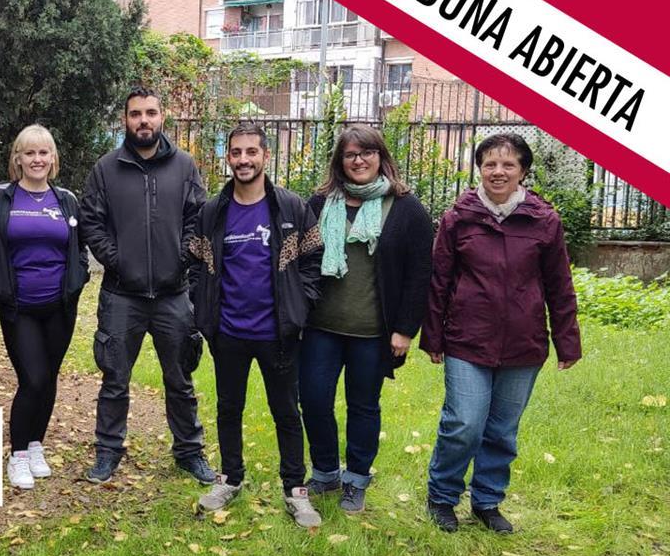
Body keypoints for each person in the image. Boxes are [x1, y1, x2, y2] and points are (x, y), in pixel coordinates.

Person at [422, 132, 582, 534]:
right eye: (490, 164)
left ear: (523, 171)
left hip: (523, 344)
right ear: (479, 169)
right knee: (464, 422)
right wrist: (433, 337)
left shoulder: (544, 221)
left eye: (508, 165)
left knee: (502, 431)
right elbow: (438, 280)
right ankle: (442, 497)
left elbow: (559, 285)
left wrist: (566, 340)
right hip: (466, 339)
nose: (498, 172)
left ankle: (487, 501)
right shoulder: (458, 217)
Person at [188, 124, 324, 527]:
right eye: (236, 152)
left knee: (286, 410)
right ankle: (229, 478)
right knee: (229, 408)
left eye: (251, 152)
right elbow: (195, 265)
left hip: (277, 333)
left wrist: (301, 306)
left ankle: (295, 489)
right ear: (227, 157)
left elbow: (313, 261)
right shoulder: (213, 211)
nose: (243, 160)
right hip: (228, 331)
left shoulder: (291, 208)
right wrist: (203, 308)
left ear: (265, 156)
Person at [79, 87, 215, 486]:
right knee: (115, 379)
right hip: (123, 296)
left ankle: (189, 452)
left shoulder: (185, 166)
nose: (143, 120)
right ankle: (107, 453)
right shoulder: (106, 169)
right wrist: (119, 261)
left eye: (150, 113)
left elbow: (198, 218)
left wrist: (182, 260)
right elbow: (92, 222)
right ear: (125, 119)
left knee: (180, 380)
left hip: (174, 295)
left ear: (162, 117)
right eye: (135, 113)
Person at [299, 126, 433, 513]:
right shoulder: (320, 203)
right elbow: (301, 260)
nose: (359, 160)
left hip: (372, 333)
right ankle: (325, 472)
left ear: (381, 156)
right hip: (321, 327)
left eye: (367, 152)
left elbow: (419, 272)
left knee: (363, 406)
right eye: (350, 154)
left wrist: (405, 329)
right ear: (339, 162)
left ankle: (356, 479)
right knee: (314, 400)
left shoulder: (406, 208)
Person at [0, 125, 89, 489]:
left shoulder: (66, 199)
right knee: (32, 378)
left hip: (60, 306)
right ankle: (17, 455)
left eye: (43, 153)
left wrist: (77, 281)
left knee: (48, 378)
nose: (37, 159)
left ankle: (36, 445)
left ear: (53, 159)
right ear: (17, 158)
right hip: (19, 308)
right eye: (29, 153)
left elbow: (80, 250)